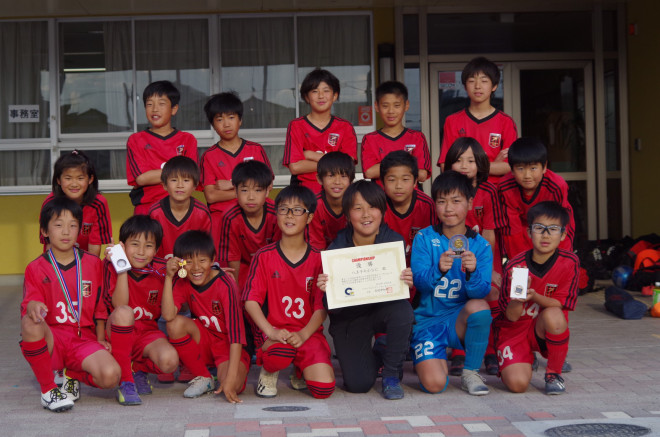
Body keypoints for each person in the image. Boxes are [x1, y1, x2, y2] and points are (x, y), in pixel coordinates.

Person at [20, 197, 137, 412]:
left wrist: (101, 338)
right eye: (58, 225)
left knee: (111, 377)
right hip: (54, 339)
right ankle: (48, 390)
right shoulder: (35, 267)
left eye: (73, 225)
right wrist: (33, 306)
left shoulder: (93, 263)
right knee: (30, 323)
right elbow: (30, 302)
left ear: (79, 230)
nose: (66, 231)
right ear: (44, 231)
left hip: (84, 339)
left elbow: (102, 307)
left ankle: (71, 374)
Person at [317, 180, 414, 400]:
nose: (366, 214)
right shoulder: (337, 249)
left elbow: (401, 294)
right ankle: (380, 352)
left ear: (382, 210)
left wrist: (406, 281)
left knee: (403, 311)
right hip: (351, 319)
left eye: (372, 207)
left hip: (382, 310)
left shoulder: (393, 242)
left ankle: (390, 375)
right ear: (347, 214)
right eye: (357, 208)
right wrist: (326, 290)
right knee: (358, 384)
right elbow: (330, 307)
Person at [243, 185, 335, 400]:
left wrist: (303, 334)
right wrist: (271, 331)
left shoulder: (319, 259)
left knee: (323, 390)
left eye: (297, 210)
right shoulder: (264, 256)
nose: (290, 215)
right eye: (284, 209)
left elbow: (322, 307)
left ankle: (300, 369)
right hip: (275, 333)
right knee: (279, 354)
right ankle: (269, 371)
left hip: (307, 332)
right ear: (276, 215)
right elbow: (250, 301)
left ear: (309, 218)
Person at [410, 171, 493, 396]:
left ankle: (471, 372)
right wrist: (439, 268)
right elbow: (420, 283)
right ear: (434, 204)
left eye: (456, 201)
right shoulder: (424, 238)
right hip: (428, 320)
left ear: (469, 203)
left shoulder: (481, 246)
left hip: (459, 319)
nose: (448, 208)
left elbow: (481, 291)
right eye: (442, 201)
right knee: (435, 385)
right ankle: (432, 358)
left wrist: (473, 271)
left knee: (480, 308)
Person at [494, 201, 578, 395]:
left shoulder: (569, 262)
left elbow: (561, 303)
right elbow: (512, 316)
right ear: (529, 232)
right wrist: (519, 298)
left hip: (542, 328)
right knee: (517, 385)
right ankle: (525, 357)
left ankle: (554, 374)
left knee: (554, 314)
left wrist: (535, 296)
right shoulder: (515, 265)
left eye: (553, 229)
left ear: (563, 234)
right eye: (539, 228)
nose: (546, 235)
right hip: (515, 331)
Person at [161, 230, 250, 403]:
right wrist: (168, 277)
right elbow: (168, 314)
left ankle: (225, 375)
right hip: (206, 340)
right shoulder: (183, 280)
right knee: (174, 324)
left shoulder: (225, 284)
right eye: (188, 262)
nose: (195, 267)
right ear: (180, 263)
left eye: (202, 260)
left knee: (231, 386)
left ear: (212, 260)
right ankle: (204, 377)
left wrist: (231, 379)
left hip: (228, 346)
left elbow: (236, 336)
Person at [443, 137, 501, 376]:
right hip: (453, 259)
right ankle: (459, 351)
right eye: (458, 160)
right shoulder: (445, 190)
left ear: (480, 164)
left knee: (490, 296)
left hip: (482, 258)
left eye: (471, 160)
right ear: (449, 165)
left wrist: (483, 268)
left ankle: (489, 349)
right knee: (456, 295)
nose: (464, 165)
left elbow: (489, 236)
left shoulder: (489, 192)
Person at [102, 215, 179, 395]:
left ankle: (137, 368)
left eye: (149, 246)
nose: (141, 251)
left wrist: (215, 271)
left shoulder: (162, 268)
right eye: (134, 244)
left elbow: (192, 270)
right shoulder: (110, 265)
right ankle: (126, 379)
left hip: (147, 333)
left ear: (157, 249)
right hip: (117, 330)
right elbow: (120, 305)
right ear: (123, 245)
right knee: (124, 312)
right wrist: (122, 268)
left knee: (170, 361)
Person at [200, 92, 272, 247]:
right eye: (219, 119)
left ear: (240, 120)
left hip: (254, 217)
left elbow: (268, 185)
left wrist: (231, 184)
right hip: (222, 220)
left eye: (231, 118)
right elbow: (211, 196)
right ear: (213, 125)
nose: (226, 124)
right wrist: (247, 189)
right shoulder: (209, 156)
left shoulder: (256, 150)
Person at [437, 57, 517, 183]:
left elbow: (510, 167)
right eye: (472, 81)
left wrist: (466, 166)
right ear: (465, 86)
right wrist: (492, 164)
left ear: (494, 86)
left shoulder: (505, 122)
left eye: (484, 81)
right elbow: (445, 166)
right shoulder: (452, 121)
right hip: (462, 192)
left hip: (495, 193)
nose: (477, 86)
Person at [496, 137, 575, 260]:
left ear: (544, 167)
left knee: (558, 263)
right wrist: (521, 265)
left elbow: (559, 224)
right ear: (511, 170)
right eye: (520, 169)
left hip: (554, 223)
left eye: (533, 168)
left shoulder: (557, 185)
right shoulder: (504, 187)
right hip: (521, 226)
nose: (527, 176)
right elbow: (512, 231)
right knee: (522, 267)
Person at [126, 80, 198, 215]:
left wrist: (154, 174)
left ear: (174, 109)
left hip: (180, 208)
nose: (154, 109)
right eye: (149, 104)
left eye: (161, 103)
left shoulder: (188, 140)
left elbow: (190, 175)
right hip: (147, 209)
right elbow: (141, 179)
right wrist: (177, 170)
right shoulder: (136, 140)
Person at [283, 69, 357, 193]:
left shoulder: (345, 127)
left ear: (335, 95)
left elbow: (347, 165)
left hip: (337, 192)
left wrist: (311, 155)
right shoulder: (296, 125)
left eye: (326, 91)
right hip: (304, 193)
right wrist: (332, 163)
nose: (321, 96)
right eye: (315, 91)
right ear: (306, 97)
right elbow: (295, 167)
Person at [217, 160, 279, 291]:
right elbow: (233, 258)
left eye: (258, 190)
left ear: (267, 191)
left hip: (272, 267)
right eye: (244, 190)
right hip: (243, 268)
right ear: (235, 191)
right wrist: (236, 291)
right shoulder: (230, 217)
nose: (251, 197)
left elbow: (280, 253)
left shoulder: (276, 213)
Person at [39, 150, 112, 257]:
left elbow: (95, 246)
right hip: (57, 260)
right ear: (58, 180)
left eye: (80, 178)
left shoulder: (98, 204)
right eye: (68, 178)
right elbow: (49, 242)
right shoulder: (50, 203)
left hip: (85, 261)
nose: (74, 184)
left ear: (90, 179)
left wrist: (90, 269)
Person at [361, 81, 431, 184]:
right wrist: (407, 164)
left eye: (397, 105)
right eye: (385, 106)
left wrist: (384, 166)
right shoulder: (370, 139)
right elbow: (369, 172)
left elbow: (423, 174)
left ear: (406, 105)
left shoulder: (417, 137)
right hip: (380, 198)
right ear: (376, 106)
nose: (391, 111)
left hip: (410, 198)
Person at [148, 156, 212, 259]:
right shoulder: (155, 213)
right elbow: (151, 249)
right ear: (164, 185)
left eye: (186, 180)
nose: (180, 185)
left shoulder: (202, 213)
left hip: (193, 269)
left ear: (195, 186)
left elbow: (205, 250)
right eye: (174, 180)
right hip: (161, 270)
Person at [380, 150, 437, 264]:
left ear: (415, 182)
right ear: (382, 182)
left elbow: (433, 243)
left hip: (419, 267)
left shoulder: (426, 205)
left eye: (405, 179)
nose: (398, 186)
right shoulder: (377, 204)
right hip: (386, 267)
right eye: (391, 180)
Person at [307, 151, 355, 250]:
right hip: (324, 257)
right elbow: (316, 246)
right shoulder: (314, 206)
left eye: (343, 176)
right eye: (331, 175)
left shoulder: (357, 203)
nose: (337, 182)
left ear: (351, 180)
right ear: (320, 179)